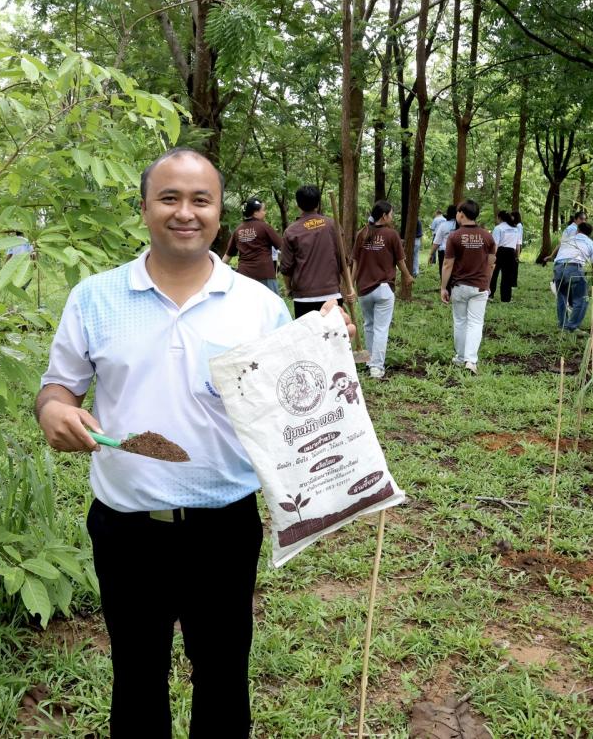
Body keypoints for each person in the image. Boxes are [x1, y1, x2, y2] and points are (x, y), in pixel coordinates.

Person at [35, 148, 351, 737]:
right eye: (170, 198)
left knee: (224, 677)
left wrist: (325, 348)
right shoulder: (95, 297)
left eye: (201, 200)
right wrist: (53, 410)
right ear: (144, 208)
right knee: (136, 677)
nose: (186, 212)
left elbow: (293, 403)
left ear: (219, 211)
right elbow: (59, 386)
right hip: (126, 525)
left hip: (224, 525)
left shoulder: (259, 306)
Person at [351, 200, 414, 379]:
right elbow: (400, 261)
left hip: (364, 289)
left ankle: (370, 361)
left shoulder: (361, 233)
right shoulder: (391, 235)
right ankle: (376, 367)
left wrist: (351, 285)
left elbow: (355, 262)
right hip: (384, 289)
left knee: (369, 325)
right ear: (384, 216)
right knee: (380, 329)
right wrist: (407, 276)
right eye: (391, 213)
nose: (392, 216)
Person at [279, 184, 355, 318]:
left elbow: (286, 268)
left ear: (298, 204)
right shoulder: (332, 225)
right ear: (318, 203)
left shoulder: (291, 231)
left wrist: (288, 288)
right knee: (333, 332)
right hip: (331, 296)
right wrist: (350, 286)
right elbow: (343, 261)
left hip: (304, 298)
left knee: (308, 332)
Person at [440, 200, 496, 374]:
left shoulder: (454, 236)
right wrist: (487, 283)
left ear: (461, 214)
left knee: (460, 322)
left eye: (458, 212)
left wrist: (443, 287)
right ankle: (471, 361)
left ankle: (460, 358)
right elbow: (491, 263)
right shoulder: (487, 236)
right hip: (480, 287)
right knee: (476, 323)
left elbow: (447, 264)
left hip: (460, 286)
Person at [224, 197, 283, 295]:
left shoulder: (238, 230)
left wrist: (217, 270)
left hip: (244, 276)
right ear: (255, 213)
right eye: (263, 210)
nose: (265, 213)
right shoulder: (264, 227)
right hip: (265, 274)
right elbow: (283, 248)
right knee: (271, 303)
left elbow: (228, 255)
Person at [552, 221, 593, 332]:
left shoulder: (568, 240)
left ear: (577, 230)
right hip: (574, 267)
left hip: (558, 267)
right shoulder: (591, 244)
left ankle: (563, 325)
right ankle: (571, 327)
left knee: (562, 297)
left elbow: (559, 253)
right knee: (582, 299)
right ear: (590, 234)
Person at [489, 210, 523, 302]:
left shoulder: (498, 228)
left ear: (499, 218)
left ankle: (490, 295)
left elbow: (495, 244)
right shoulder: (515, 228)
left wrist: (492, 256)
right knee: (507, 276)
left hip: (500, 252)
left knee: (493, 274)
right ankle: (506, 298)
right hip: (511, 253)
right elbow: (518, 244)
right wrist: (517, 256)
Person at [431, 205, 458, 274]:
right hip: (458, 253)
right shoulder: (461, 226)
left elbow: (436, 242)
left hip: (444, 253)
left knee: (444, 273)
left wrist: (431, 254)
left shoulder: (443, 225)